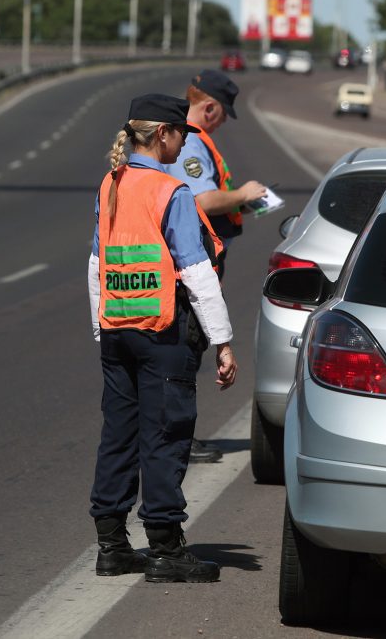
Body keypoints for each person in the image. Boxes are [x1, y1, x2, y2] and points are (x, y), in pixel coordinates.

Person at [87, 93, 238, 583]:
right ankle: (166, 550)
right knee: (166, 435)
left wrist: (100, 326)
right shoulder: (170, 192)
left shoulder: (110, 183)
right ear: (163, 135)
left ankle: (111, 547)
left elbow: (96, 265)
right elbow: (196, 271)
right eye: (180, 135)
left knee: (119, 435)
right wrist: (223, 341)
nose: (183, 143)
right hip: (161, 334)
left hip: (116, 333)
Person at [166, 69, 267, 464]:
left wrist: (242, 202)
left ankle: (173, 436)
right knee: (184, 349)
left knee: (184, 348)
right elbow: (202, 201)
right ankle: (176, 440)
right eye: (223, 114)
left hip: (189, 259)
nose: (223, 122)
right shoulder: (190, 144)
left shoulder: (183, 139)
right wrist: (241, 194)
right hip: (191, 262)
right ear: (209, 107)